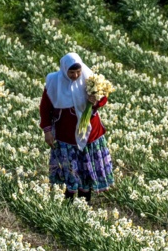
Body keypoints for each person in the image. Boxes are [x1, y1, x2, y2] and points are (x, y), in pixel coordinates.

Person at [39, 52, 114, 203]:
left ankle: (84, 204)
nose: (75, 75)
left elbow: (103, 97)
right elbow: (45, 108)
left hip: (90, 134)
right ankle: (69, 204)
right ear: (64, 70)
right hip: (65, 135)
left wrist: (95, 101)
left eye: (77, 71)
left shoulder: (89, 79)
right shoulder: (54, 82)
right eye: (71, 72)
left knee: (85, 171)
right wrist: (47, 131)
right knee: (70, 171)